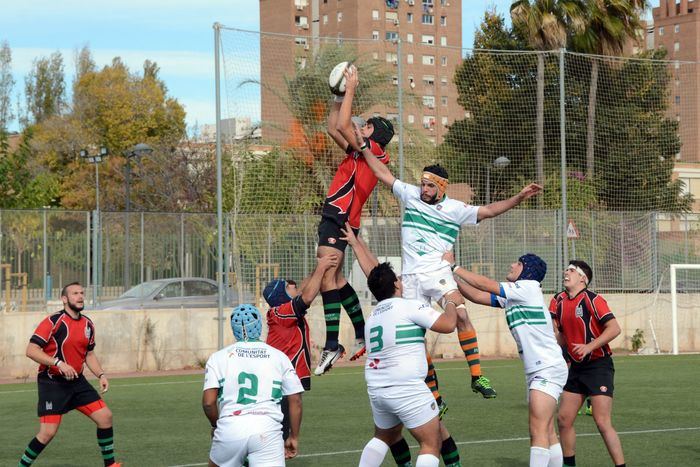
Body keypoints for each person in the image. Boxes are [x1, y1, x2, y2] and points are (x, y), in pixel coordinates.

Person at [350, 92, 542, 399]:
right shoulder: (410, 194)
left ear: (439, 187)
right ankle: (435, 399)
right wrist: (363, 147)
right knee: (416, 339)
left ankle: (477, 376)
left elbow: (490, 210)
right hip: (412, 277)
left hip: (438, 272)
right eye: (422, 183)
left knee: (462, 314)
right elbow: (381, 173)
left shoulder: (455, 208)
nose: (423, 188)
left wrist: (518, 198)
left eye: (429, 185)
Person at [343, 224, 463, 467]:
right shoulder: (409, 306)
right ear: (397, 285)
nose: (400, 280)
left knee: (383, 437)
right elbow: (449, 324)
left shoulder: (374, 316)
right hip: (406, 387)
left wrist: (357, 244)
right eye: (398, 278)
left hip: (377, 388)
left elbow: (377, 275)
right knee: (431, 443)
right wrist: (452, 300)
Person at [447, 253, 568, 467]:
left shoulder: (528, 287)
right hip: (539, 369)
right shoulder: (516, 294)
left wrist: (454, 266)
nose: (512, 265)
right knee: (547, 431)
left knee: (537, 429)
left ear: (527, 270)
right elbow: (476, 294)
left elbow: (485, 284)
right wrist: (449, 278)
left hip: (547, 368)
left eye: (518, 263)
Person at [314, 64, 395, 376]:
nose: (360, 126)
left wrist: (350, 89)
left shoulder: (374, 150)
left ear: (372, 133)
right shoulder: (361, 152)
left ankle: (333, 343)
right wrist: (336, 96)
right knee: (334, 280)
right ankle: (360, 334)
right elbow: (335, 127)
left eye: (366, 125)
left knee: (326, 275)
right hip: (339, 215)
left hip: (340, 214)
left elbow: (347, 124)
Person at [18, 282, 121, 467]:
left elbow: (89, 354)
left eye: (82, 293)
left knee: (105, 417)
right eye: (75, 293)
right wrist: (58, 363)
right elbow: (31, 350)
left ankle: (110, 465)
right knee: (47, 433)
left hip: (77, 382)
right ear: (64, 299)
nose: (80, 296)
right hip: (52, 383)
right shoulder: (53, 321)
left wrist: (101, 374)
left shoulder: (88, 324)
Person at [202, 304, 304, 467]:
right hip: (267, 429)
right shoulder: (279, 356)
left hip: (230, 427)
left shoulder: (218, 358)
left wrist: (216, 425)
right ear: (259, 326)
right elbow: (296, 400)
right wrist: (294, 436)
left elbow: (208, 403)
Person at [549, 261, 625, 467]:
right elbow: (560, 335)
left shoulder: (594, 300)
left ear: (583, 278)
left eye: (572, 270)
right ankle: (569, 464)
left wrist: (589, 346)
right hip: (576, 368)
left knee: (602, 421)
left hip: (598, 365)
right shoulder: (558, 300)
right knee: (563, 419)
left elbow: (614, 328)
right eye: (566, 269)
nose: (566, 272)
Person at [263, 253, 339, 439]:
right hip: (281, 377)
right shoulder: (281, 312)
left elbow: (303, 290)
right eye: (291, 288)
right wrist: (321, 269)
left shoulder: (282, 310)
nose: (296, 288)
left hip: (285, 375)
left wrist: (319, 266)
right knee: (277, 430)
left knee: (282, 425)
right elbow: (307, 296)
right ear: (282, 295)